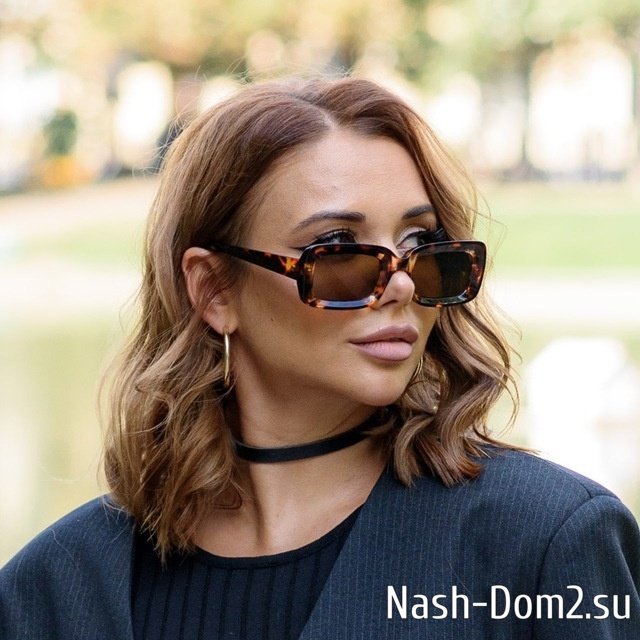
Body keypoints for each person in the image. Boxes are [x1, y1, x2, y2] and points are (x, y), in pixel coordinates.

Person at [1, 76, 638, 640]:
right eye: (337, 249)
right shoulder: (50, 590)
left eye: (421, 242)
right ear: (215, 290)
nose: (402, 285)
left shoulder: (546, 541)